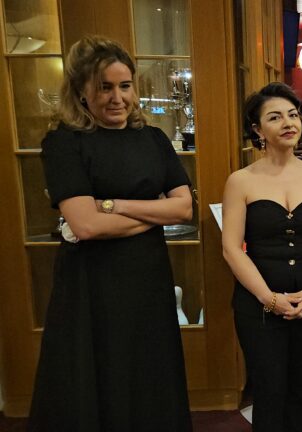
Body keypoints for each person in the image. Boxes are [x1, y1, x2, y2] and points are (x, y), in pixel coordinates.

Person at [28, 35, 193, 431]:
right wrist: (152, 214)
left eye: (125, 86)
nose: (118, 98)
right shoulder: (64, 143)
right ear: (82, 92)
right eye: (105, 87)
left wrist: (110, 205)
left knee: (148, 371)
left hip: (148, 278)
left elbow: (184, 208)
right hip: (92, 285)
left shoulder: (153, 139)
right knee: (98, 374)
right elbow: (85, 226)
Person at [222, 82, 302, 432]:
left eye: (293, 115)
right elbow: (231, 248)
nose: (289, 123)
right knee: (269, 390)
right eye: (275, 117)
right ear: (257, 129)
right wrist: (270, 299)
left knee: (298, 387)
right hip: (258, 304)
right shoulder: (240, 181)